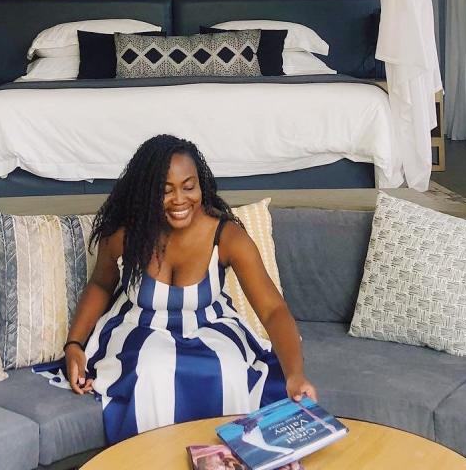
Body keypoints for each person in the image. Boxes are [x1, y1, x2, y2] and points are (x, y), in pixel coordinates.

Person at [63, 134, 317, 443]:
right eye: (165, 190)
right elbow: (101, 284)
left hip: (210, 325)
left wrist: (294, 374)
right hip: (139, 327)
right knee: (155, 370)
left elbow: (273, 309)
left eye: (188, 186)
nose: (180, 200)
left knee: (229, 369)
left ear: (201, 185)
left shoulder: (226, 236)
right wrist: (74, 344)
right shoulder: (123, 236)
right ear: (146, 192)